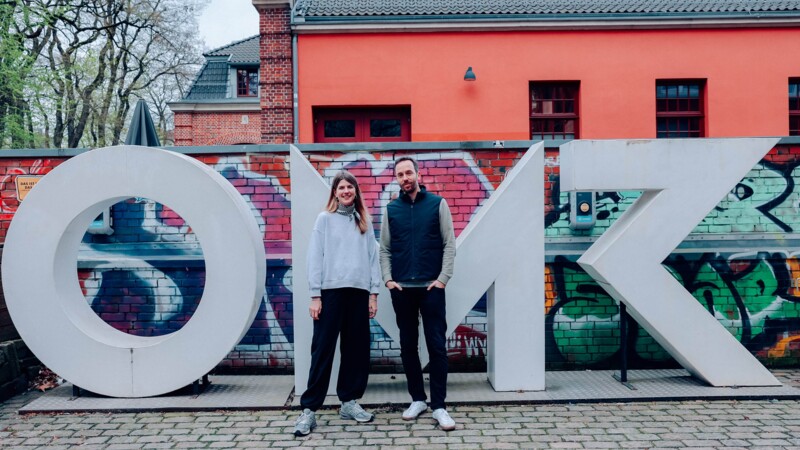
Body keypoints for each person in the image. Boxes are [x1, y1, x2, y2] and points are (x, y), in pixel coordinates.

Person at [294, 170, 381, 437]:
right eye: (341, 187)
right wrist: (315, 296)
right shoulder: (325, 220)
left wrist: (373, 294)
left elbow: (372, 259)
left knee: (356, 351)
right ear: (334, 192)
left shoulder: (363, 222)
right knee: (322, 351)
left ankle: (349, 402)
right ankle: (309, 410)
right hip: (330, 294)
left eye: (350, 188)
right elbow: (315, 257)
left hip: (358, 294)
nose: (346, 191)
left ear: (356, 192)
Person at [379, 156, 457, 431]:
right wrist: (388, 280)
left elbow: (449, 244)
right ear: (397, 179)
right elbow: (385, 249)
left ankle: (439, 406)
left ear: (418, 174)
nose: (405, 178)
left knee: (436, 347)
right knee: (408, 347)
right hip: (402, 290)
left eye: (409, 172)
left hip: (431, 289)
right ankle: (417, 399)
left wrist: (443, 279)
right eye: (400, 174)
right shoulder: (392, 209)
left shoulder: (437, 204)